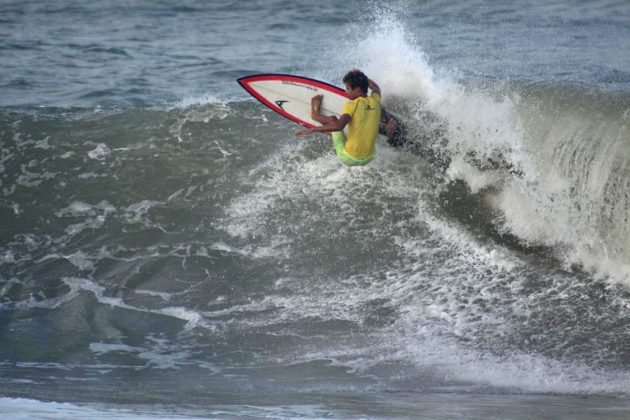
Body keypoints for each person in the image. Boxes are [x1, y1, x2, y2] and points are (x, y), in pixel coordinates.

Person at [296, 69, 382, 166]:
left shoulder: (352, 105)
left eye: (348, 88)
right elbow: (375, 87)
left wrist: (313, 129)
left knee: (333, 120)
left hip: (349, 158)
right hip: (369, 157)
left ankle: (315, 115)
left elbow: (339, 126)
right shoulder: (375, 99)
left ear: (357, 89)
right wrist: (362, 79)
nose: (346, 92)